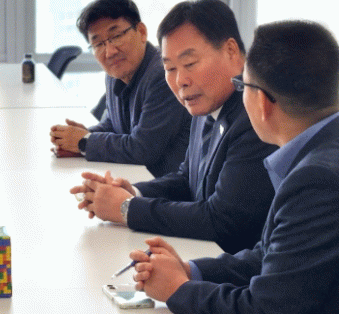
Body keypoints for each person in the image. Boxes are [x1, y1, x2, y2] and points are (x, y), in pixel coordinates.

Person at [131, 20, 339, 314]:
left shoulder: (316, 180)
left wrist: (179, 290)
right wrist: (191, 271)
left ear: (262, 102)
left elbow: (267, 308)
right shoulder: (319, 152)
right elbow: (271, 257)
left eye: (243, 86)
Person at [71, 0, 277, 253]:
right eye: (170, 68)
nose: (180, 81)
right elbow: (186, 179)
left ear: (231, 51)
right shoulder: (205, 101)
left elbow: (222, 221)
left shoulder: (256, 116)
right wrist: (132, 192)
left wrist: (127, 209)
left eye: (189, 64)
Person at [49, 0, 190, 177]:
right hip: (133, 176)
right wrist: (81, 136)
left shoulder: (163, 75)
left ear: (141, 32)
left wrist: (84, 142)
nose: (110, 52)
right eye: (98, 44)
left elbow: (143, 149)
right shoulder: (115, 73)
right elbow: (113, 124)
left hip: (163, 184)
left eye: (116, 36)